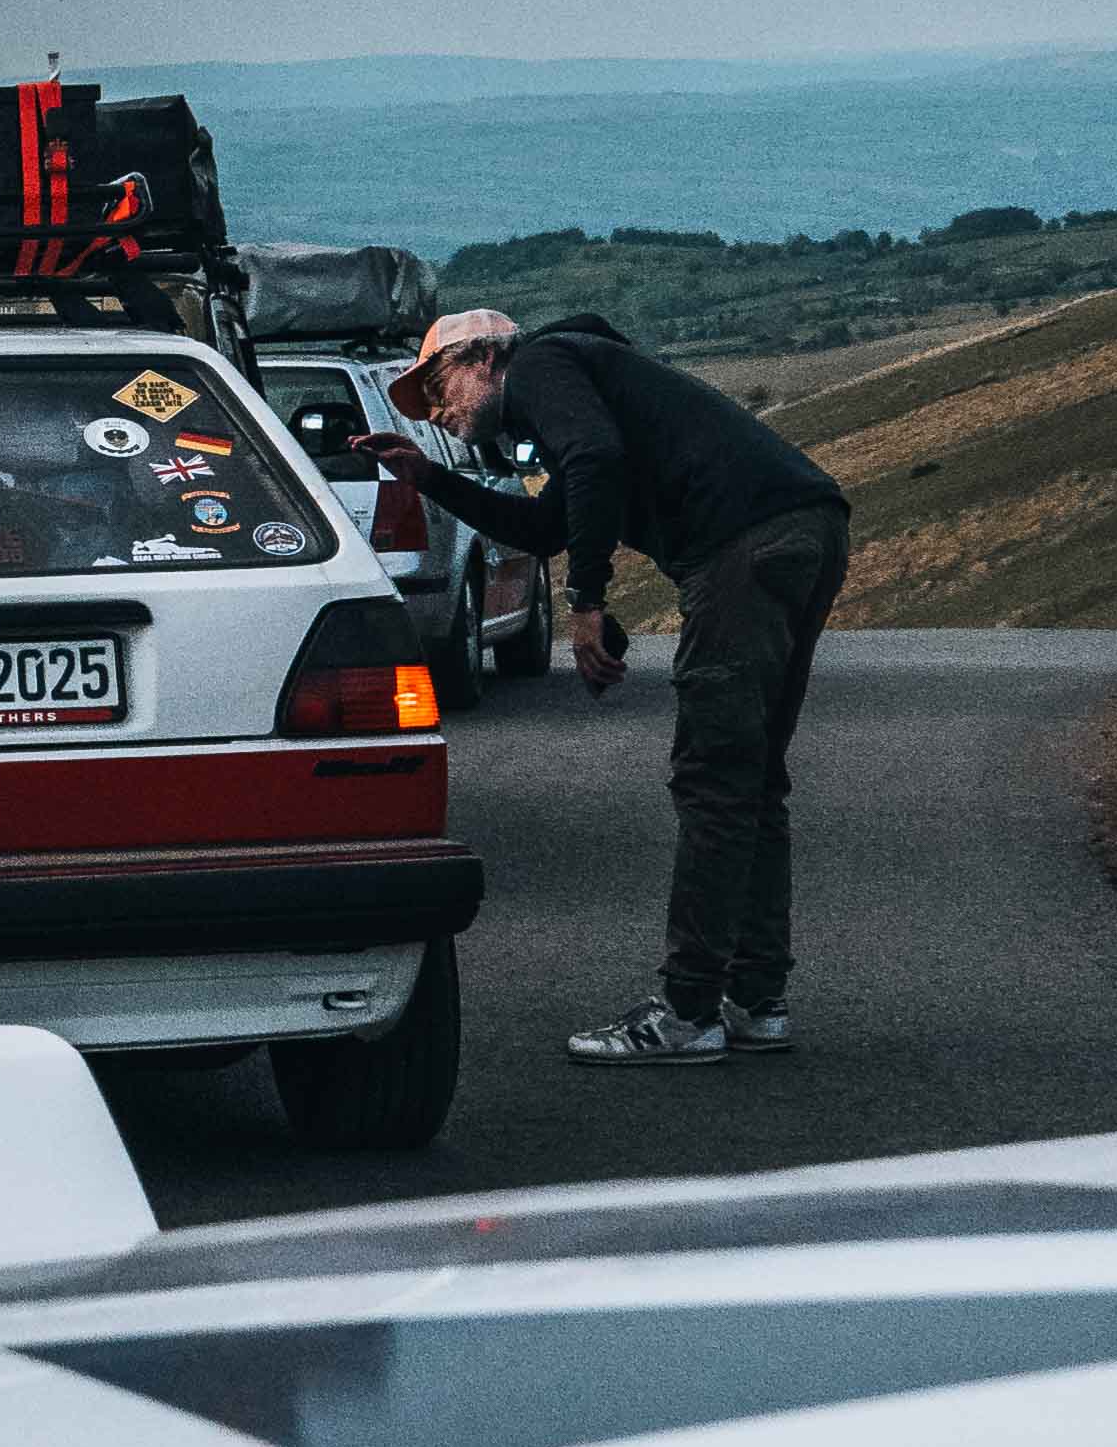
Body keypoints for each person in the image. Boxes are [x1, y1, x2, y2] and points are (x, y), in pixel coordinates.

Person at [359, 304, 851, 1063]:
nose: (440, 411)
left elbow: (594, 464)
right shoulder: (585, 387)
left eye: (439, 386)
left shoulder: (542, 367)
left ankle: (688, 1011)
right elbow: (545, 526)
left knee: (714, 780)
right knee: (749, 780)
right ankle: (756, 998)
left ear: (485, 360)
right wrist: (429, 479)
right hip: (803, 527)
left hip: (744, 547)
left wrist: (584, 603)